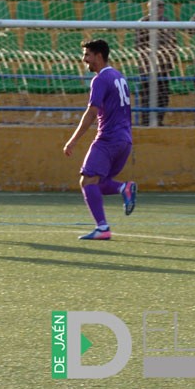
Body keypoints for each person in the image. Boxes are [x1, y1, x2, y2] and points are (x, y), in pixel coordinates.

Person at [63, 39, 137, 240]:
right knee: (98, 182)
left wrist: (73, 140)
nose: (84, 59)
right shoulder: (118, 76)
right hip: (125, 140)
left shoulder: (100, 79)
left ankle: (102, 228)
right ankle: (124, 188)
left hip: (108, 139)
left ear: (98, 55)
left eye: (87, 54)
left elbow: (91, 112)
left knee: (87, 180)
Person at [135, 0, 177, 126]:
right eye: (156, 7)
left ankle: (159, 120)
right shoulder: (143, 23)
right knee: (146, 95)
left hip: (163, 67)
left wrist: (168, 57)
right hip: (147, 67)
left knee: (163, 96)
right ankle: (146, 121)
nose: (159, 9)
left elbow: (173, 43)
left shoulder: (167, 23)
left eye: (161, 7)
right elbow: (139, 44)